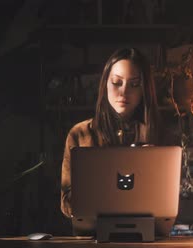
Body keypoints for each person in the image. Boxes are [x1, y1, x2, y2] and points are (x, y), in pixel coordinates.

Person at [60, 48, 162, 218]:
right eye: (116, 82)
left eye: (134, 84)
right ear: (105, 83)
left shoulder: (158, 134)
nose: (124, 92)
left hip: (146, 236)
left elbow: (170, 204)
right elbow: (67, 204)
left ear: (144, 91)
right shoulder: (80, 134)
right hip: (93, 238)